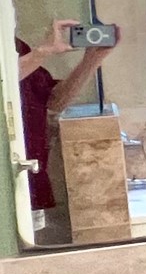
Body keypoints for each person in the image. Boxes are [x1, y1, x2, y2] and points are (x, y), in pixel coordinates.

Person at [14, 19, 117, 214]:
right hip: (10, 173)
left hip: (31, 172)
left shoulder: (18, 47)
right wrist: (43, 51)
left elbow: (54, 101)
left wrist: (92, 60)